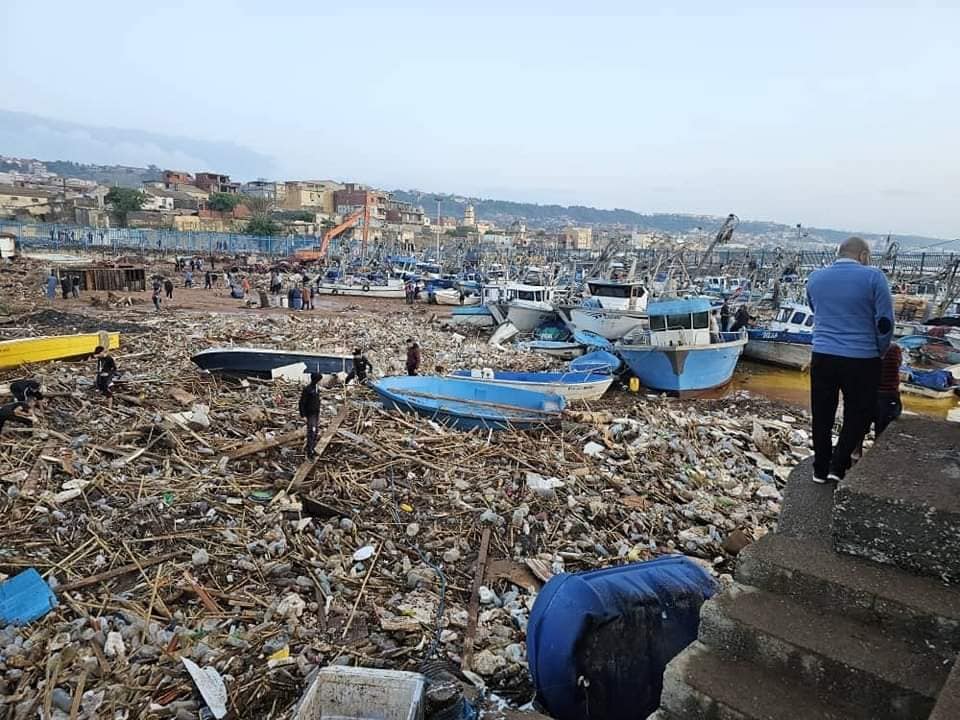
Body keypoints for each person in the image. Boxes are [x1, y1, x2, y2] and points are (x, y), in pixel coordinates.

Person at [807, 236, 894, 483]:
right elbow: (885, 322)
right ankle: (839, 464)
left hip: (822, 354)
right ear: (864, 256)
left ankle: (820, 468)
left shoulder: (815, 278)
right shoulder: (873, 277)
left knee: (822, 413)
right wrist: (880, 350)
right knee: (858, 413)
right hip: (862, 357)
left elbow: (815, 309)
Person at [874, 342, 903, 437]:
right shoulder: (894, 348)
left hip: (869, 392)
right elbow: (898, 365)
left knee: (859, 427)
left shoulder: (868, 347)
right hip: (889, 394)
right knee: (882, 430)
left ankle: (857, 450)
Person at [299, 372, 322, 458]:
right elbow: (302, 402)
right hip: (310, 413)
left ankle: (312, 448)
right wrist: (303, 415)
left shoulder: (316, 388)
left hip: (316, 413)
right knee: (311, 431)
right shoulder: (308, 389)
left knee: (315, 432)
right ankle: (309, 451)